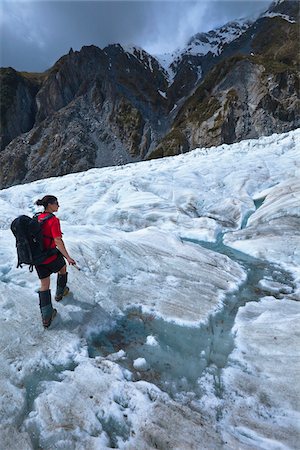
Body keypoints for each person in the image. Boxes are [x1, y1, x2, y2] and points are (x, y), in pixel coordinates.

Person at [35, 195, 76, 328]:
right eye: (56, 203)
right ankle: (60, 293)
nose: (58, 205)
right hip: (50, 256)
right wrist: (68, 257)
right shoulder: (53, 220)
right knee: (63, 268)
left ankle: (46, 317)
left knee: (44, 284)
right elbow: (58, 240)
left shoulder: (37, 218)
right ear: (50, 205)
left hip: (38, 257)